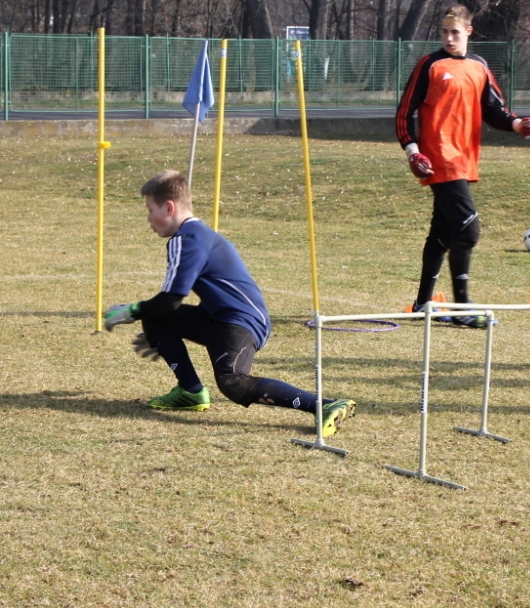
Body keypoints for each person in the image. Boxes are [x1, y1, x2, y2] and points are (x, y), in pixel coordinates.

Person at [102, 170, 356, 436]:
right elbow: (168, 306)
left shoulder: (186, 240)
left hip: (240, 322)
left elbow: (172, 298)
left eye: (149, 210)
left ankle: (325, 404)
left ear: (168, 207)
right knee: (156, 317)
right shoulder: (196, 234)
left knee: (232, 382)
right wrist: (158, 331)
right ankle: (190, 392)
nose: (148, 219)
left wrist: (131, 311)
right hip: (221, 318)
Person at [395, 4, 530, 327]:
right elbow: (404, 113)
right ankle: (463, 308)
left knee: (442, 233)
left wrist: (519, 125)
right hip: (439, 160)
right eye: (444, 32)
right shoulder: (429, 65)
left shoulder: (478, 66)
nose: (448, 38)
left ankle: (422, 303)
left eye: (455, 32)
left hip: (464, 161)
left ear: (468, 32)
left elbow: (495, 109)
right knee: (468, 228)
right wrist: (413, 152)